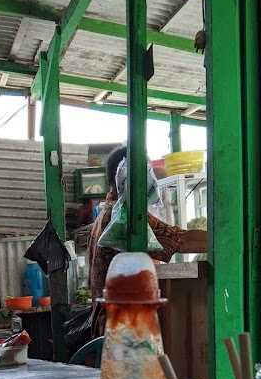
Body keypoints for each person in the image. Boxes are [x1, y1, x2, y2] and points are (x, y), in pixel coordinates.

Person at [70, 145, 207, 348]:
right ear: (127, 177)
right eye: (147, 173)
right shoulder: (122, 218)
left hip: (110, 323)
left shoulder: (107, 212)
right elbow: (179, 240)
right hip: (121, 327)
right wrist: (228, 239)